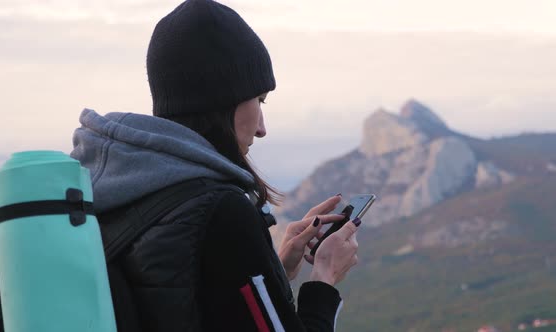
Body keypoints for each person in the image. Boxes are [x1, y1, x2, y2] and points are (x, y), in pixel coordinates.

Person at [71, 0, 360, 331]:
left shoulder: (108, 193)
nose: (262, 128)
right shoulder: (220, 211)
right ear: (225, 100)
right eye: (259, 100)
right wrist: (324, 277)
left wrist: (274, 268)